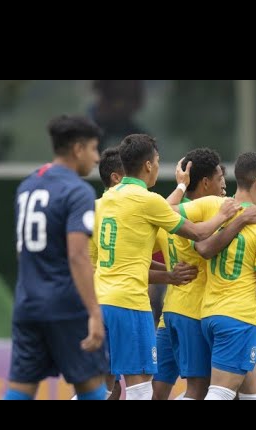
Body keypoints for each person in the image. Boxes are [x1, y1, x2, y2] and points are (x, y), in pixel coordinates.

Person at [94, 134, 243, 400]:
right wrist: (225, 215)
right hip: (131, 303)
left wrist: (181, 187)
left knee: (102, 388)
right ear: (149, 165)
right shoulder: (147, 201)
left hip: (101, 301)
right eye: (157, 161)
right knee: (142, 388)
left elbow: (129, 255)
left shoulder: (104, 201)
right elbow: (198, 234)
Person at [152, 148, 256, 400]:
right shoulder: (212, 209)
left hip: (169, 314)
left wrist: (180, 187)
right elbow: (204, 246)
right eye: (219, 179)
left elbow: (142, 253)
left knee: (157, 391)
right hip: (196, 311)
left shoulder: (171, 213)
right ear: (206, 182)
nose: (224, 186)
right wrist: (236, 220)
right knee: (201, 390)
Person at [4, 114, 107, 400]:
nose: (97, 158)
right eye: (93, 149)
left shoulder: (27, 186)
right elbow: (77, 255)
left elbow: (21, 249)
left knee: (21, 387)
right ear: (77, 149)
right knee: (91, 386)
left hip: (27, 303)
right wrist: (94, 312)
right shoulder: (77, 191)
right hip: (65, 305)